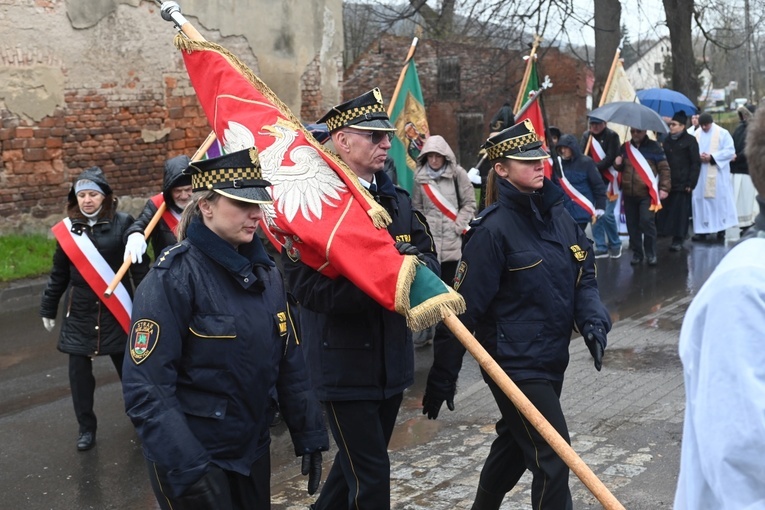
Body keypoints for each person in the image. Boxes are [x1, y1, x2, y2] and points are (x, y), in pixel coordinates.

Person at [122, 148, 328, 509]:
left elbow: (289, 361)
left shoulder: (267, 276)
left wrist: (308, 431)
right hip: (196, 458)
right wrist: (189, 468)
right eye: (242, 202)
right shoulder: (173, 278)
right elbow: (147, 389)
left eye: (259, 202)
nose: (255, 213)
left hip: (250, 450)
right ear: (206, 206)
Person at [423, 120, 612, 510]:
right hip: (513, 364)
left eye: (540, 157)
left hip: (551, 357)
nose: (539, 164)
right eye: (525, 160)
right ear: (502, 169)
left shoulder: (560, 217)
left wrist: (593, 320)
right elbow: (460, 310)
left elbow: (585, 277)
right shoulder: (492, 232)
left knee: (514, 441)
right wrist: (443, 376)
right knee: (554, 458)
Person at [282, 88, 440, 510]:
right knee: (371, 478)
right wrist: (382, 282)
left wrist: (412, 269)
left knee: (351, 474)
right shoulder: (312, 208)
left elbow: (430, 262)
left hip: (390, 363)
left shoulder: (397, 201)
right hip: (342, 366)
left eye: (386, 135)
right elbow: (306, 289)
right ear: (342, 140)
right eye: (373, 136)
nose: (386, 143)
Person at [673, 104, 765, 509]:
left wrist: (716, 156)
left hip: (718, 174)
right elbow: (744, 459)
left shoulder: (721, 138)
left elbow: (725, 152)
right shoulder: (745, 289)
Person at [39, 166, 149, 451]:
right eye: (82, 195)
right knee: (79, 377)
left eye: (93, 194)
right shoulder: (67, 231)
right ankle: (86, 428)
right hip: (80, 313)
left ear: (105, 197)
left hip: (117, 312)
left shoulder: (124, 223)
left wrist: (148, 305)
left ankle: (142, 419)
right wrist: (48, 308)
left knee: (131, 372)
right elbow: (58, 275)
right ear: (75, 199)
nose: (87, 200)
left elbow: (139, 271)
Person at [411, 135, 476, 347]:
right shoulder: (419, 178)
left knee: (451, 288)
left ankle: (450, 333)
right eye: (430, 156)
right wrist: (422, 232)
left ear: (445, 156)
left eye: (438, 156)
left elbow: (469, 204)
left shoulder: (458, 175)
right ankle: (427, 330)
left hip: (452, 242)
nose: (434, 160)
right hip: (430, 245)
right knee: (429, 288)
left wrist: (458, 226)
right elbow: (417, 209)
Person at [613, 127, 671, 266]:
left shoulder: (654, 147)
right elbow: (618, 167)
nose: (635, 134)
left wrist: (664, 188)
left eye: (638, 131)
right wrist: (617, 163)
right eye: (633, 131)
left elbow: (664, 169)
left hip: (647, 194)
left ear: (645, 131)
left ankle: (651, 253)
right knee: (632, 225)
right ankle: (637, 253)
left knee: (646, 222)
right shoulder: (625, 147)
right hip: (629, 193)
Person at [122, 155, 193, 264]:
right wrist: (135, 234)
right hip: (169, 272)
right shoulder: (157, 205)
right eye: (177, 191)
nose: (184, 196)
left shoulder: (205, 203)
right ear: (169, 190)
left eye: (188, 190)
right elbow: (140, 223)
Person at [657, 111, 701, 251]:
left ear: (682, 126)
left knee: (680, 213)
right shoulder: (666, 140)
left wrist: (691, 183)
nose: (671, 127)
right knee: (665, 210)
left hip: (683, 183)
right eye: (670, 125)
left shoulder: (690, 141)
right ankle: (664, 232)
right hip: (668, 182)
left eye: (674, 125)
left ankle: (678, 238)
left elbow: (695, 163)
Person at [690, 112, 738, 243]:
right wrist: (698, 157)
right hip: (700, 174)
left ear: (711, 123)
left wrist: (712, 157)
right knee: (700, 200)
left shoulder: (723, 133)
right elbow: (690, 150)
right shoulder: (696, 134)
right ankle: (701, 231)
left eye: (706, 125)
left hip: (717, 173)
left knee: (718, 200)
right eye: (702, 125)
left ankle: (720, 229)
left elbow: (730, 151)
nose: (704, 127)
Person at [581, 116, 623, 259]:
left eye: (598, 124)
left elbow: (611, 157)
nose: (595, 126)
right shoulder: (587, 136)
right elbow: (582, 155)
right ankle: (600, 246)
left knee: (607, 215)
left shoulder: (612, 136)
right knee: (595, 215)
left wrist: (593, 168)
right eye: (592, 123)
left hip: (608, 180)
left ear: (604, 123)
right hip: (592, 182)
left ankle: (615, 243)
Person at [553, 133, 607, 232]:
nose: (563, 151)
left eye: (566, 148)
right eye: (561, 148)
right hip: (562, 212)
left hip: (581, 211)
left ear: (572, 147)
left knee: (576, 241)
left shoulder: (586, 162)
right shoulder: (557, 164)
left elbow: (598, 185)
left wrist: (600, 206)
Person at [730, 104, 758, 230]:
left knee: (749, 200)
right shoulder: (739, 129)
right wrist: (730, 155)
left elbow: (752, 148)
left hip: (748, 170)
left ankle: (751, 224)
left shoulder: (755, 131)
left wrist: (738, 157)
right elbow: (731, 144)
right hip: (736, 169)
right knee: (740, 201)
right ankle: (744, 226)